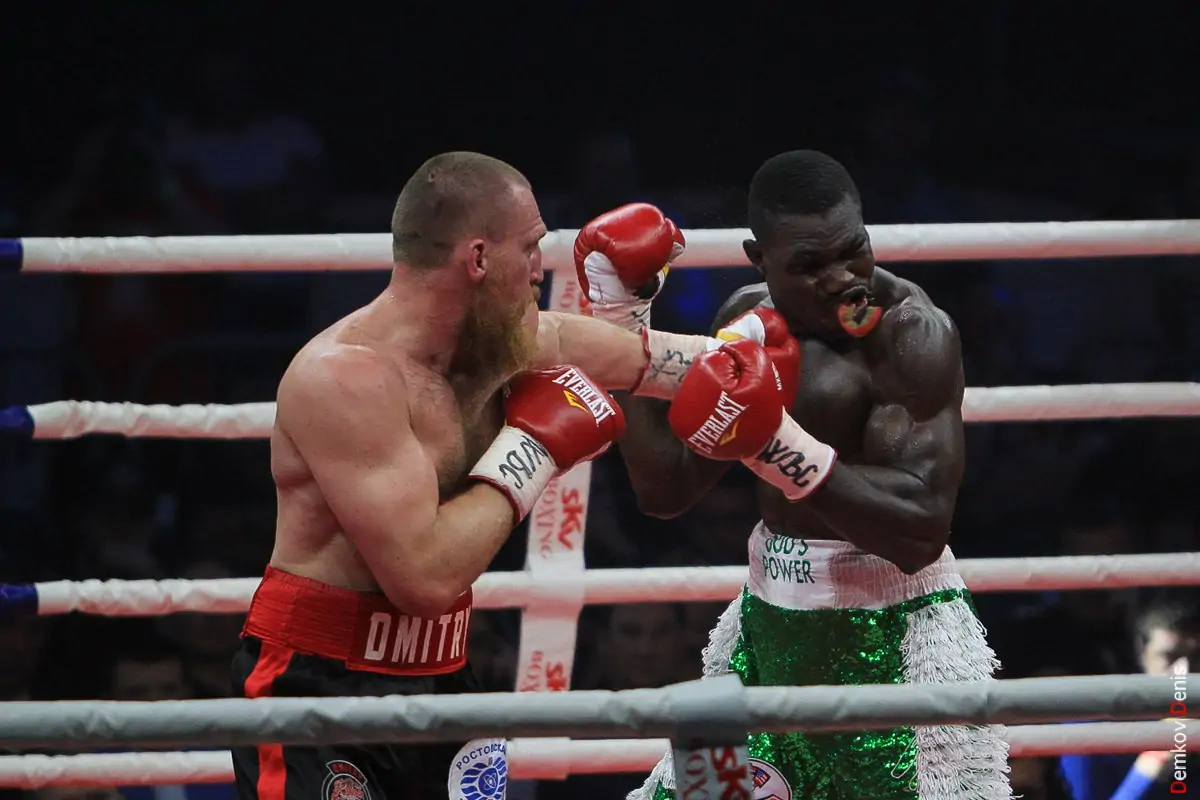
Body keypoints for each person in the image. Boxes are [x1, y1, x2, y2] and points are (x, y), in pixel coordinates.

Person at [231, 151, 778, 800]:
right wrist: (534, 447)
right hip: (319, 686)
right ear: (478, 258)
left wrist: (752, 355)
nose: (541, 267)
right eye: (531, 247)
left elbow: (645, 360)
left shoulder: (501, 346)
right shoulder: (346, 378)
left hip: (445, 675)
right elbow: (425, 579)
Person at [594, 150, 1011, 800]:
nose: (842, 279)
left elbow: (920, 530)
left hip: (892, 637)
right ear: (759, 260)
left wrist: (776, 445)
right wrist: (625, 325)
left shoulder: (911, 335)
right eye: (810, 265)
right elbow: (665, 489)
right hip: (766, 627)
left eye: (853, 251)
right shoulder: (745, 322)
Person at [1059, 589, 1197, 800]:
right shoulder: (1089, 731)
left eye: (1198, 657)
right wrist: (1149, 768)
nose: (1184, 673)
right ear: (1141, 652)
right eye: (1169, 657)